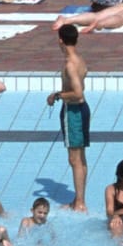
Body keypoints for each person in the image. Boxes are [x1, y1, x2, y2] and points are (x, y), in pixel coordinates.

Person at [46, 24, 92, 211]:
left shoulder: (70, 65)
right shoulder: (79, 60)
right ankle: (79, 199)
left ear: (60, 41)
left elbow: (78, 94)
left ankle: (79, 202)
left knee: (74, 159)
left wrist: (57, 95)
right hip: (81, 111)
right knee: (80, 157)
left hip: (73, 111)